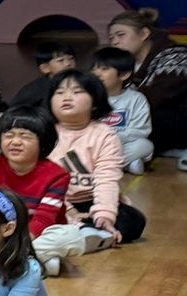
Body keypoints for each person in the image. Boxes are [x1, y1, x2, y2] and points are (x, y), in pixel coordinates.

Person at [0, 105, 88, 275]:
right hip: (3, 231)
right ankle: (34, 261)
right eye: (9, 135)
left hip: (38, 233)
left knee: (72, 237)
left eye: (25, 136)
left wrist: (18, 245)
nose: (15, 142)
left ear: (43, 142)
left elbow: (44, 219)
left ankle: (7, 259)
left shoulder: (57, 175)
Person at [49, 69, 146, 244]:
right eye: (59, 92)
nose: (66, 97)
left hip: (90, 199)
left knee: (133, 221)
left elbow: (106, 178)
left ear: (95, 103)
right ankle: (82, 231)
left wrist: (104, 216)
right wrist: (69, 210)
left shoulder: (104, 135)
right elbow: (39, 178)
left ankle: (82, 230)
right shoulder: (44, 132)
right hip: (52, 199)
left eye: (77, 92)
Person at [106, 7, 187, 165]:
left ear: (144, 34)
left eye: (121, 35)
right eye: (111, 38)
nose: (115, 41)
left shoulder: (176, 55)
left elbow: (157, 97)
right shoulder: (125, 64)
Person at [91, 46, 154, 174]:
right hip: (92, 145)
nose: (96, 73)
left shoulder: (136, 99)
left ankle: (98, 166)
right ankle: (125, 165)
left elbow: (140, 130)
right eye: (93, 69)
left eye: (104, 69)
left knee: (145, 145)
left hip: (121, 145)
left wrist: (112, 139)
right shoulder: (87, 97)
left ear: (124, 74)